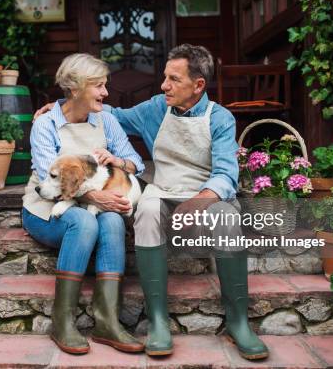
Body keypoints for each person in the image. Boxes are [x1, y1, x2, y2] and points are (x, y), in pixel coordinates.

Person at [35, 44, 269, 360]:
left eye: (173, 79)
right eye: (164, 77)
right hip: (163, 191)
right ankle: (158, 321)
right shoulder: (156, 108)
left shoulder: (221, 119)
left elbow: (227, 174)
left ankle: (239, 322)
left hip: (205, 194)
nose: (164, 86)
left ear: (198, 85)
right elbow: (111, 113)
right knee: (145, 209)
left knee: (227, 217)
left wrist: (200, 201)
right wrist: (62, 103)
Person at [22, 53, 145, 355]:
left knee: (114, 219)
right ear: (75, 88)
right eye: (98, 86)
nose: (105, 93)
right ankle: (62, 321)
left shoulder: (106, 120)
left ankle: (107, 322)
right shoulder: (46, 124)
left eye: (105, 85)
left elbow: (137, 164)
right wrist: (94, 196)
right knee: (85, 220)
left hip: (92, 204)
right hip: (45, 209)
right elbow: (45, 179)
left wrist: (117, 160)